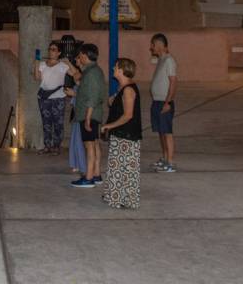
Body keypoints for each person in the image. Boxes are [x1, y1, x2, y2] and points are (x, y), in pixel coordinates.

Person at [101, 58, 143, 210]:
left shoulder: (128, 90)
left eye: (115, 67)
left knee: (125, 168)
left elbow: (128, 115)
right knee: (116, 166)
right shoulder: (122, 87)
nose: (113, 69)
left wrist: (108, 126)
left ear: (122, 70)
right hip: (121, 134)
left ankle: (124, 199)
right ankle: (114, 195)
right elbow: (116, 105)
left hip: (127, 135)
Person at [71, 43, 106, 188]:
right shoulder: (94, 71)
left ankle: (89, 177)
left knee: (89, 146)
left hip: (89, 115)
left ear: (85, 56)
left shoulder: (91, 73)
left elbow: (92, 97)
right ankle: (96, 174)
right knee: (95, 144)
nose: (79, 59)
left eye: (80, 56)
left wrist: (87, 118)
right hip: (93, 115)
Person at [149, 33, 179, 173]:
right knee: (161, 132)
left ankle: (171, 163)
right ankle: (165, 158)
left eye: (153, 44)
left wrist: (168, 102)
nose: (151, 47)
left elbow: (173, 82)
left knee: (167, 132)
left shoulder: (169, 61)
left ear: (160, 45)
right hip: (157, 101)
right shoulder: (161, 60)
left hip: (164, 102)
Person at [34, 40, 69, 154]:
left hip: (58, 98)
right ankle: (47, 146)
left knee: (58, 123)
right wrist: (36, 63)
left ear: (59, 53)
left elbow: (76, 74)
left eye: (53, 50)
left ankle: (56, 146)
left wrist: (69, 63)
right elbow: (37, 77)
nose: (50, 52)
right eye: (49, 49)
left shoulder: (62, 65)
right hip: (44, 97)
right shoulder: (43, 64)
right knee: (46, 123)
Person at [63, 61, 86, 175]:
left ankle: (82, 166)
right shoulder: (79, 76)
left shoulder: (86, 76)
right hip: (77, 114)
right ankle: (76, 164)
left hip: (83, 114)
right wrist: (66, 62)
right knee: (74, 140)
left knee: (79, 141)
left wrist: (74, 94)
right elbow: (72, 72)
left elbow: (87, 95)